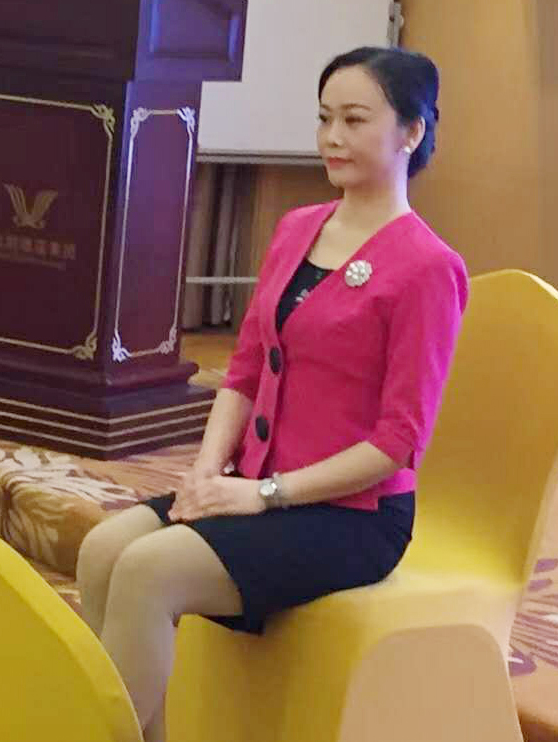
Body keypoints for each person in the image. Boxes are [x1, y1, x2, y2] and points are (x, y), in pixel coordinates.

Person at [77, 46, 469, 742]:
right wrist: (206, 473)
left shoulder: (429, 268)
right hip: (255, 485)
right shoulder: (296, 228)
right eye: (324, 118)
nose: (332, 137)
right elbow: (245, 372)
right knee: (103, 548)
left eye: (355, 120)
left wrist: (263, 495)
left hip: (352, 517)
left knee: (147, 571)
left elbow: (397, 443)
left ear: (411, 132)